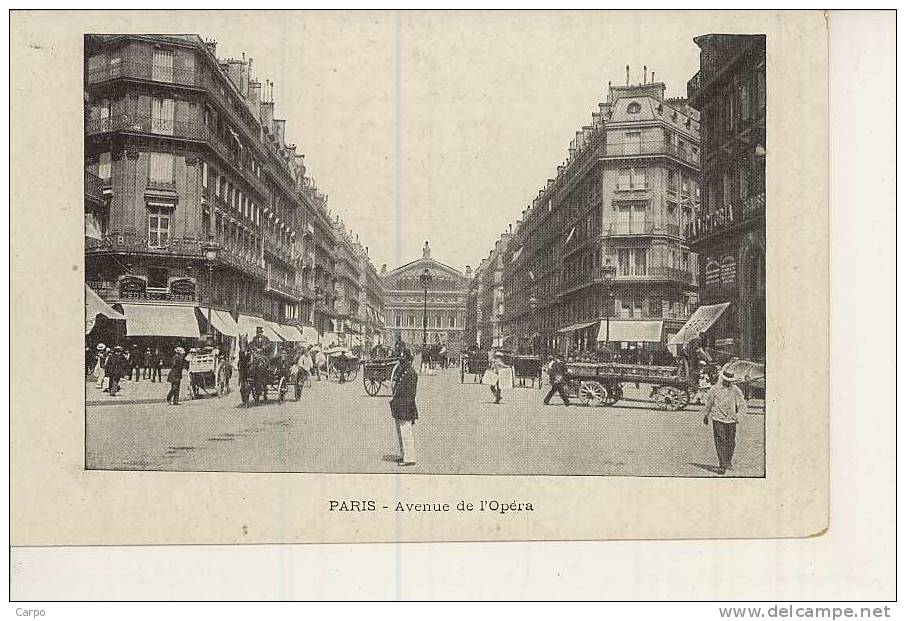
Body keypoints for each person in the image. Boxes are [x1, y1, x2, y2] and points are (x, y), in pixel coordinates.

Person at [701, 364, 748, 475]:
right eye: (727, 380)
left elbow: (742, 404)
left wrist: (739, 416)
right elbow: (709, 403)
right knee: (720, 440)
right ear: (723, 379)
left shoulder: (736, 390)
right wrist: (706, 415)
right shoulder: (715, 389)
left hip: (731, 419)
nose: (729, 382)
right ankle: (722, 465)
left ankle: (728, 461)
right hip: (718, 418)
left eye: (730, 381)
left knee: (731, 442)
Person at [389, 351, 418, 466]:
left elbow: (411, 394)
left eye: (403, 359)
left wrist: (404, 406)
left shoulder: (411, 373)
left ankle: (410, 458)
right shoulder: (404, 371)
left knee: (406, 433)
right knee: (401, 433)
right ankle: (404, 455)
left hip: (405, 407)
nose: (401, 362)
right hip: (399, 406)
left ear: (408, 360)